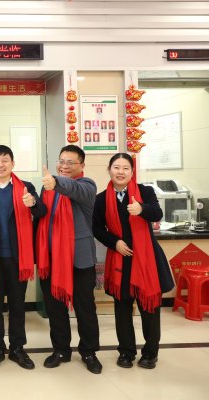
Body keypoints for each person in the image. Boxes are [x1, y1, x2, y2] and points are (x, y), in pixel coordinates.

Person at [93, 153, 173, 369]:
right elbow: (97, 228)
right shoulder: (101, 199)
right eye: (116, 167)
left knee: (149, 307)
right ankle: (126, 352)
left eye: (125, 168)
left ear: (132, 171)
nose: (121, 172)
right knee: (122, 308)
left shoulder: (145, 192)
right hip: (120, 257)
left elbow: (157, 213)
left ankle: (150, 353)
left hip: (147, 258)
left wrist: (142, 209)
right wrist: (114, 242)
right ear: (109, 170)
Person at [0, 145, 46, 370]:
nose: (0, 165)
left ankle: (17, 348)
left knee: (17, 305)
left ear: (13, 163)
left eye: (4, 160)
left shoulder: (26, 187)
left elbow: (41, 213)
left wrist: (33, 203)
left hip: (17, 258)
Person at [36, 144, 102, 374]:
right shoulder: (47, 187)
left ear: (81, 165)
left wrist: (55, 182)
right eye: (61, 161)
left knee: (85, 308)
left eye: (70, 163)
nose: (64, 166)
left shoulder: (87, 185)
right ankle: (61, 350)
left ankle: (89, 352)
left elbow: (74, 190)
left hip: (79, 258)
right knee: (55, 308)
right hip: (52, 257)